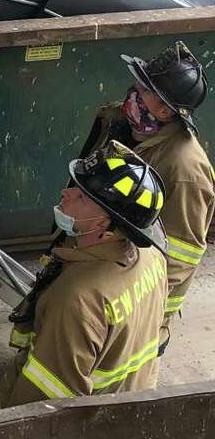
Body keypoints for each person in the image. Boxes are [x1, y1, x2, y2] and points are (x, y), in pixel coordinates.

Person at [0, 140, 167, 408]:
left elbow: (44, 400)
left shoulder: (78, 299)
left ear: (103, 224)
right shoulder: (150, 257)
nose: (66, 193)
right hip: (131, 403)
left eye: (81, 197)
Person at [77, 43, 213, 349]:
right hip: (100, 257)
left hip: (131, 290)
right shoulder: (123, 123)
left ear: (164, 109)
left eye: (144, 87)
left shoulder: (185, 168)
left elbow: (181, 256)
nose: (133, 91)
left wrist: (149, 318)